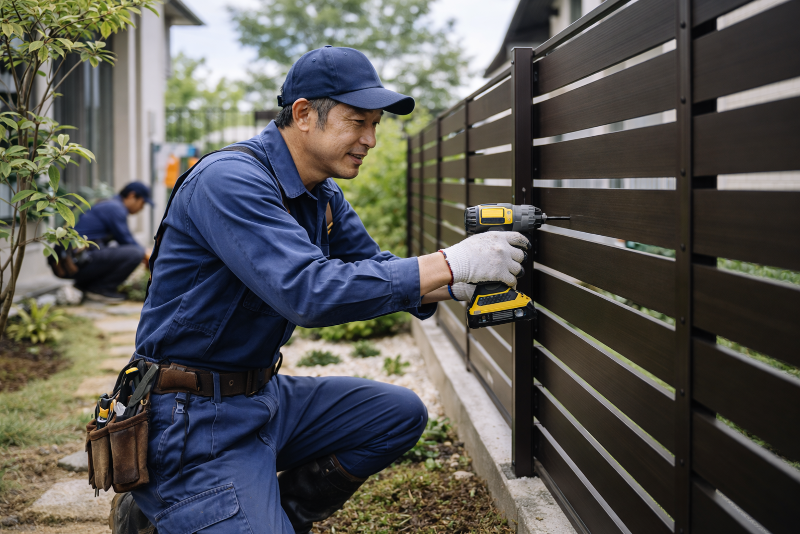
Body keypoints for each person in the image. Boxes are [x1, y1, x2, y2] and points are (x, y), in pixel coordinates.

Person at [113, 46, 527, 534]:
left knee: (398, 414)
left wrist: (455, 283)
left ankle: (278, 515)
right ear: (305, 114)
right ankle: (157, 513)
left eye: (376, 124)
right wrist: (447, 263)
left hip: (262, 396)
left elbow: (373, 268)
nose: (370, 139)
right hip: (191, 418)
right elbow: (307, 291)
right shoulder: (230, 181)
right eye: (358, 122)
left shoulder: (321, 193)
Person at [70, 182, 151, 302]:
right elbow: (126, 239)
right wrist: (147, 254)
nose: (141, 208)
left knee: (123, 250)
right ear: (132, 196)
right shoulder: (115, 208)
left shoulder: (110, 204)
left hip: (78, 259)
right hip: (78, 260)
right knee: (135, 253)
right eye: (142, 203)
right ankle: (101, 290)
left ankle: (85, 286)